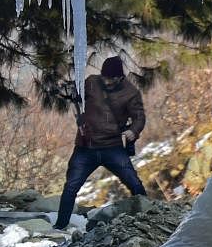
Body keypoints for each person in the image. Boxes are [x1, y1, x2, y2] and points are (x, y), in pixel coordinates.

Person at [53, 56, 147, 230]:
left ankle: (148, 217)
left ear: (120, 77)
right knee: (71, 186)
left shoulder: (131, 93)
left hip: (113, 147)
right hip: (85, 146)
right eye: (104, 77)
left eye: (111, 78)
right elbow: (75, 96)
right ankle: (60, 226)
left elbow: (139, 117)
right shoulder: (91, 82)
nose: (106, 81)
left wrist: (132, 131)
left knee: (133, 182)